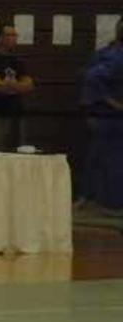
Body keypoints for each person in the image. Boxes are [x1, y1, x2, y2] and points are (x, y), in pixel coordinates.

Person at [79, 21, 123, 210]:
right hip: (109, 117)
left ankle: (96, 200)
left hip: (106, 116)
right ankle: (105, 202)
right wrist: (114, 103)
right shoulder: (114, 56)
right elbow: (92, 78)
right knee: (109, 160)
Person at [0, 23, 35, 151]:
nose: (15, 38)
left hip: (17, 112)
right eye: (10, 35)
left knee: (19, 150)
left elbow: (29, 85)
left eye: (15, 35)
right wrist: (17, 86)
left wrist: (9, 85)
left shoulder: (17, 60)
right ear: (0, 38)